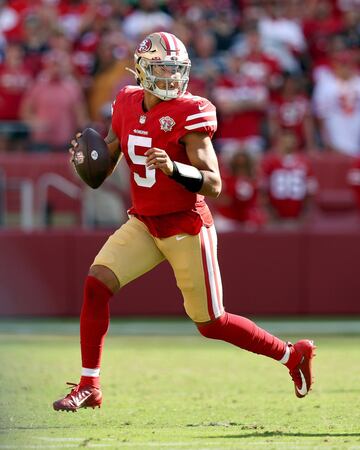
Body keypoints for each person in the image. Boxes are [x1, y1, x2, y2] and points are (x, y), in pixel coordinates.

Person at [53, 32, 316, 412]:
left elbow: (213, 183)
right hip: (144, 222)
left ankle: (293, 356)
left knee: (211, 323)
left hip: (186, 225)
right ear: (142, 70)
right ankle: (89, 384)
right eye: (161, 68)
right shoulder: (126, 101)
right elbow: (105, 166)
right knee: (97, 284)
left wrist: (175, 167)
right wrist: (87, 160)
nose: (171, 77)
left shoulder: (191, 111)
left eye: (176, 69)